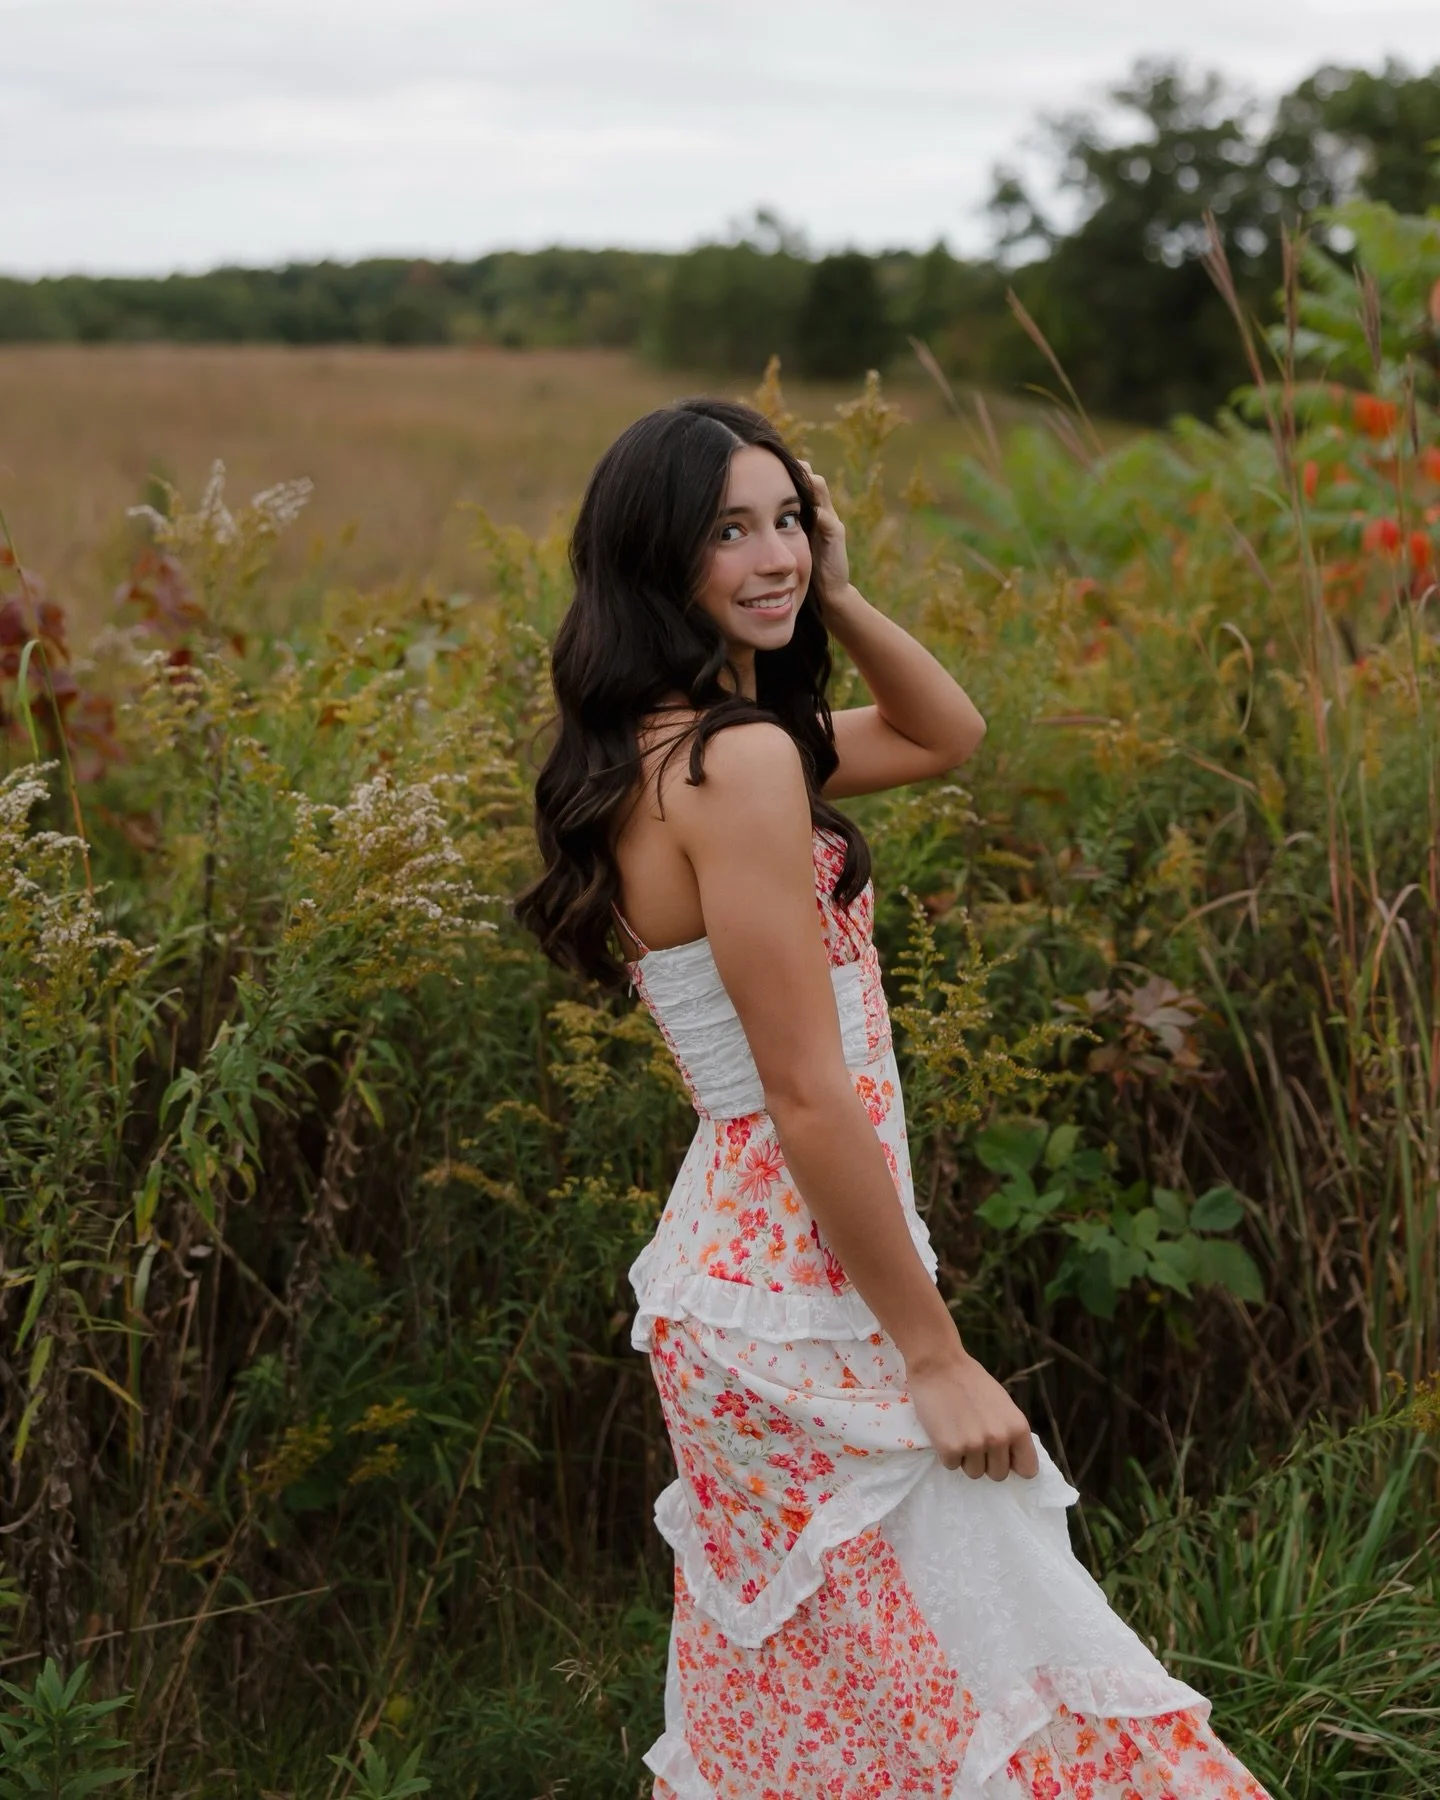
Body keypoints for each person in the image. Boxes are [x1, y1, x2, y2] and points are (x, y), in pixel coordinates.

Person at [515, 398, 1270, 1798]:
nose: (775, 555)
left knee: (855, 1712)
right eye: (728, 530)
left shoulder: (680, 744)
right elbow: (804, 1093)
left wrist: (844, 593)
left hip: (743, 1277)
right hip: (798, 1292)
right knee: (1011, 1673)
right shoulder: (735, 763)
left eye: (787, 520)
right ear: (653, 560)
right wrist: (936, 1356)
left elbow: (944, 732)